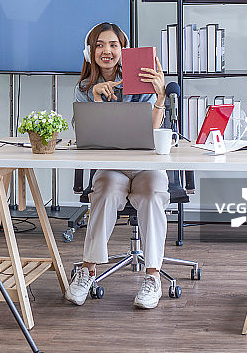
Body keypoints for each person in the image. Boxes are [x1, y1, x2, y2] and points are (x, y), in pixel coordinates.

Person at [64, 22, 170, 310]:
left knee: (152, 193)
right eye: (99, 45)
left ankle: (152, 276)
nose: (106, 51)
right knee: (105, 190)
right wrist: (97, 99)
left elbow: (152, 130)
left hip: (146, 165)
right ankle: (87, 271)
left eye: (113, 45)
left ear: (124, 50)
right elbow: (90, 137)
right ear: (90, 52)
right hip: (112, 166)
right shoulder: (84, 89)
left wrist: (160, 96)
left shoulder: (141, 80)